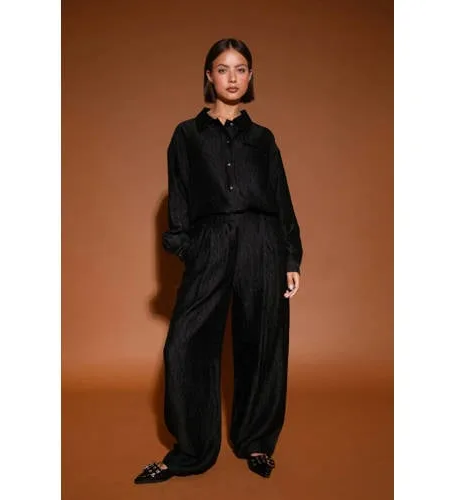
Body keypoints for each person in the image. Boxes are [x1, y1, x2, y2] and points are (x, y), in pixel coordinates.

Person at [134, 38, 303, 484]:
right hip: (210, 241)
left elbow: (281, 199)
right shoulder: (186, 135)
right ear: (209, 76)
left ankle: (257, 441)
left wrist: (290, 256)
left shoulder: (263, 139)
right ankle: (191, 450)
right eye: (223, 68)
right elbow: (180, 198)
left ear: (250, 76)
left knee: (262, 343)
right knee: (185, 345)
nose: (232, 77)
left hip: (261, 243)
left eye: (241, 69)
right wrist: (190, 249)